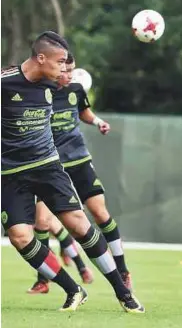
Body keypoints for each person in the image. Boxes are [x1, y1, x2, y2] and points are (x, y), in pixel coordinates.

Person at [1, 31, 143, 313]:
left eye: (68, 63)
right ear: (41, 58)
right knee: (19, 236)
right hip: (9, 174)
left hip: (47, 167)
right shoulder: (5, 83)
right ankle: (73, 289)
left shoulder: (63, 86)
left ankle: (122, 292)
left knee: (79, 224)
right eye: (61, 62)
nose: (66, 69)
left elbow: (81, 108)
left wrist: (96, 119)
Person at [29, 52, 132, 293]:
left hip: (78, 160)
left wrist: (98, 122)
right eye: (64, 70)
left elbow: (83, 111)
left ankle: (123, 269)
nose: (68, 75)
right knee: (42, 222)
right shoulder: (38, 91)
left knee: (99, 212)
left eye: (71, 70)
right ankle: (43, 281)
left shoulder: (76, 89)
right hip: (50, 164)